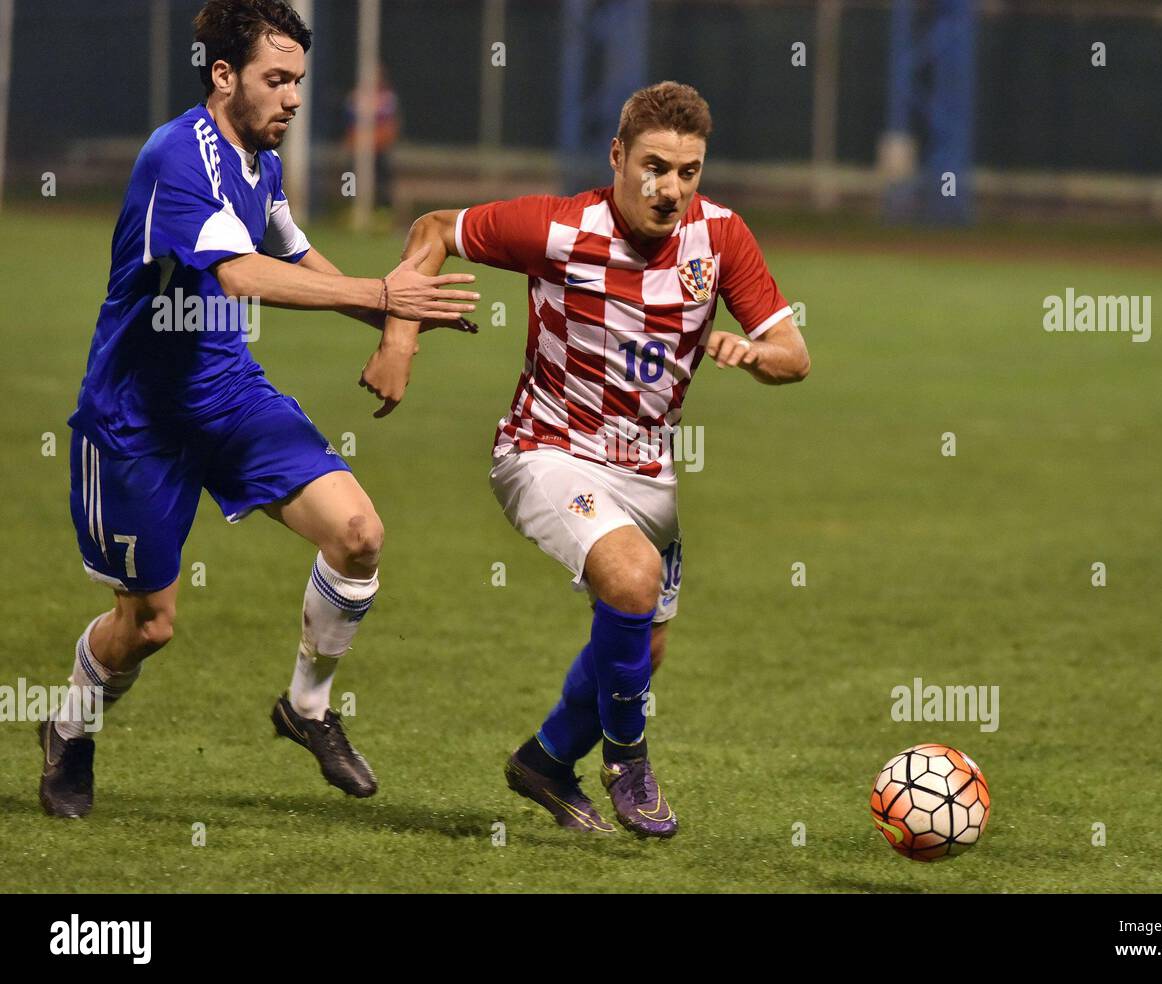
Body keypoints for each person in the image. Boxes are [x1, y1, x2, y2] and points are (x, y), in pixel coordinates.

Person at [42, 0, 478, 818]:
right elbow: (240, 275)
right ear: (223, 76)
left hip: (228, 394)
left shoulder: (259, 164)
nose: (293, 98)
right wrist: (386, 295)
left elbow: (297, 257)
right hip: (138, 421)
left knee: (359, 535)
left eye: (299, 81)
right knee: (147, 627)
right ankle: (69, 729)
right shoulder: (179, 156)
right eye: (276, 80)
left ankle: (305, 709)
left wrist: (398, 321)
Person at [360, 81, 810, 838]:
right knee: (631, 581)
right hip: (545, 451)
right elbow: (432, 229)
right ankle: (628, 760)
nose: (670, 189)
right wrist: (398, 339)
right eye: (654, 166)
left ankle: (546, 758)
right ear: (617, 157)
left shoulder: (723, 237)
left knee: (644, 641)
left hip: (650, 474)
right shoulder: (559, 228)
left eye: (689, 171)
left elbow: (794, 356)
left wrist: (755, 352)